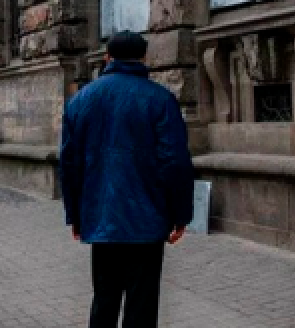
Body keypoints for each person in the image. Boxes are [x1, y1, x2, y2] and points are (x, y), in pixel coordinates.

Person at [60, 31, 195, 328]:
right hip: (147, 220)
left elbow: (69, 164)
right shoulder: (161, 100)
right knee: (142, 305)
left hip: (101, 216)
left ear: (107, 57)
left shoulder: (81, 101)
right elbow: (175, 162)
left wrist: (75, 216)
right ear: (144, 58)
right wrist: (181, 214)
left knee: (104, 299)